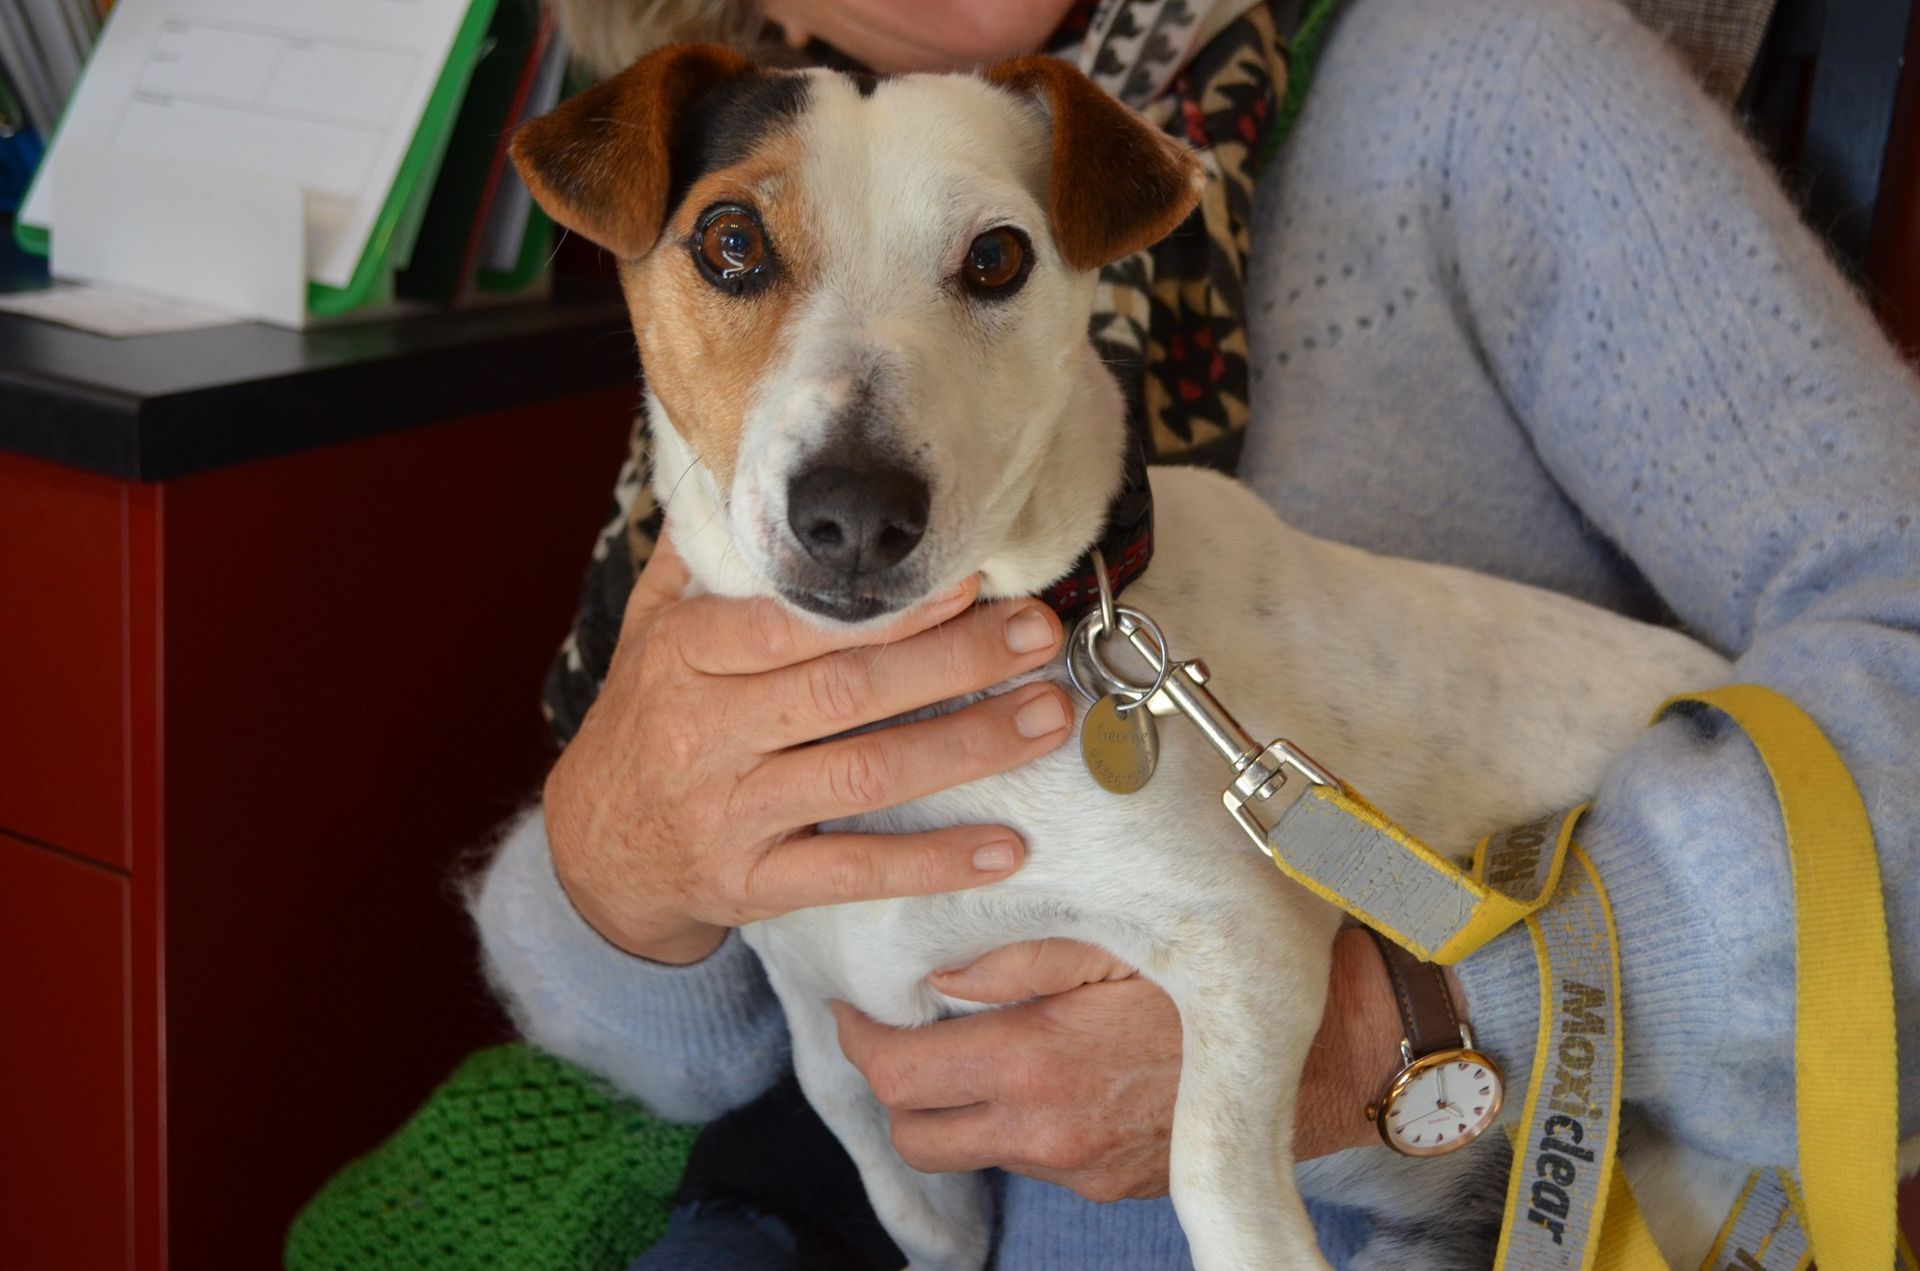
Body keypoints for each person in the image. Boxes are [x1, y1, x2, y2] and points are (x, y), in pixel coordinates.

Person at [471, 0, 1920, 1265]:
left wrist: (1398, 1031)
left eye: (985, 270)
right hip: (832, 1211)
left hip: (1522, 1203)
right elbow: (678, 1062)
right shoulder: (704, 174)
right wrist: (613, 865)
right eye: (747, 256)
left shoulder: (1494, 82)